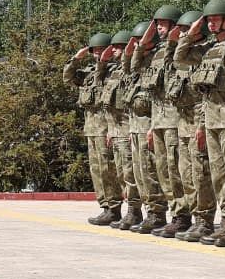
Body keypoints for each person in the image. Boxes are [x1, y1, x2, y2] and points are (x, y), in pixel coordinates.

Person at [174, 0, 225, 246]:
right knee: (218, 175)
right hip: (211, 122)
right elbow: (180, 58)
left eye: (215, 19)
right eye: (208, 20)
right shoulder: (207, 51)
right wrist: (191, 32)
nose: (210, 24)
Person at [165, 9, 215, 239]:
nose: (183, 33)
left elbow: (206, 96)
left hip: (199, 120)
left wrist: (202, 125)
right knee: (186, 174)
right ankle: (195, 218)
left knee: (201, 173)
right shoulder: (191, 54)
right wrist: (182, 38)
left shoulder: (206, 53)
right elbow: (176, 58)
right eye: (183, 30)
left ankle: (204, 220)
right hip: (184, 122)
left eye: (188, 30)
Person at [68, 32, 121, 226]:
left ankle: (114, 208)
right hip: (91, 128)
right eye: (95, 51)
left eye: (101, 50)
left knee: (108, 169)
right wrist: (76, 58)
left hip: (105, 127)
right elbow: (68, 77)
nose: (98, 54)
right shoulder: (89, 72)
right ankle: (105, 206)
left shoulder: (113, 70)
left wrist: (103, 63)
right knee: (96, 170)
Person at [137, 9, 183, 234]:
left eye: (164, 24)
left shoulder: (181, 50)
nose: (159, 28)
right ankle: (169, 215)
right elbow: (133, 66)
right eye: (158, 25)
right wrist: (145, 39)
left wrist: (173, 42)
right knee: (162, 171)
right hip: (158, 120)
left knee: (175, 171)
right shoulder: (154, 52)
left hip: (174, 120)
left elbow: (168, 67)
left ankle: (181, 215)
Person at [122, 20, 168, 231]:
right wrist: (138, 46)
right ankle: (150, 212)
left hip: (151, 123)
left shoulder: (162, 56)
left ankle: (157, 213)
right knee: (139, 173)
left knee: (151, 172)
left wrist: (153, 126)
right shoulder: (144, 63)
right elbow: (129, 67)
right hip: (137, 126)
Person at [92, 30, 136, 227]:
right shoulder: (112, 72)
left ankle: (134, 212)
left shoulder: (132, 70)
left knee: (130, 174)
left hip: (128, 129)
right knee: (119, 173)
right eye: (115, 47)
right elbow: (99, 88)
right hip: (115, 131)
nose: (117, 51)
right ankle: (120, 211)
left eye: (121, 47)